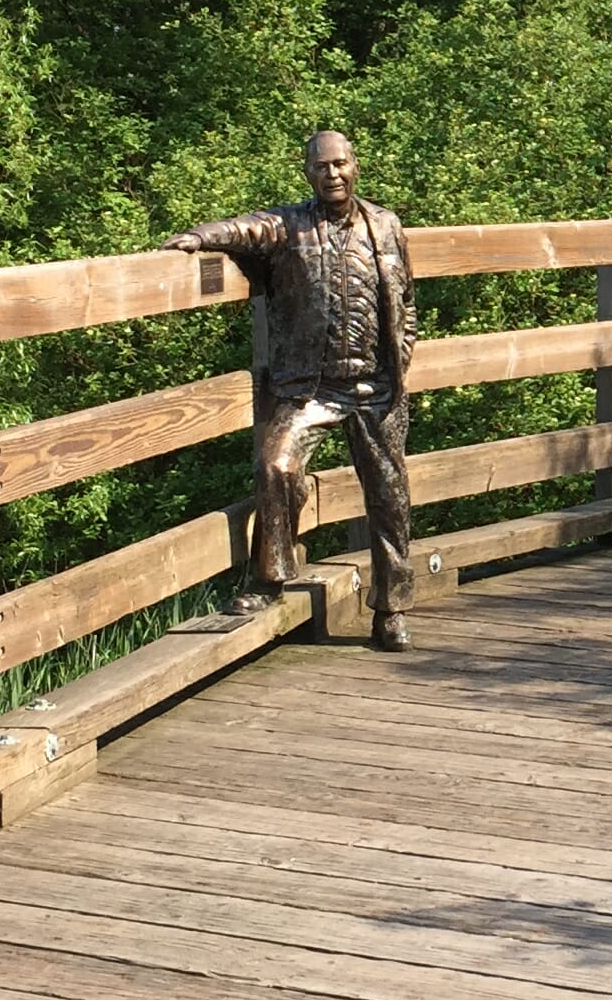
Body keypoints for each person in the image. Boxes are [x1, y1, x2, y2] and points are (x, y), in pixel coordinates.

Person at [162, 129, 420, 649]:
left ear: (355, 166)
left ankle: (391, 609)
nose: (333, 174)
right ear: (308, 173)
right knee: (276, 466)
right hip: (310, 388)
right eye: (322, 166)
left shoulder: (385, 225)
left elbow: (407, 299)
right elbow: (244, 229)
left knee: (389, 496)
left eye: (340, 164)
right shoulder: (289, 226)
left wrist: (404, 352)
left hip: (375, 386)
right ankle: (270, 578)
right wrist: (198, 237)